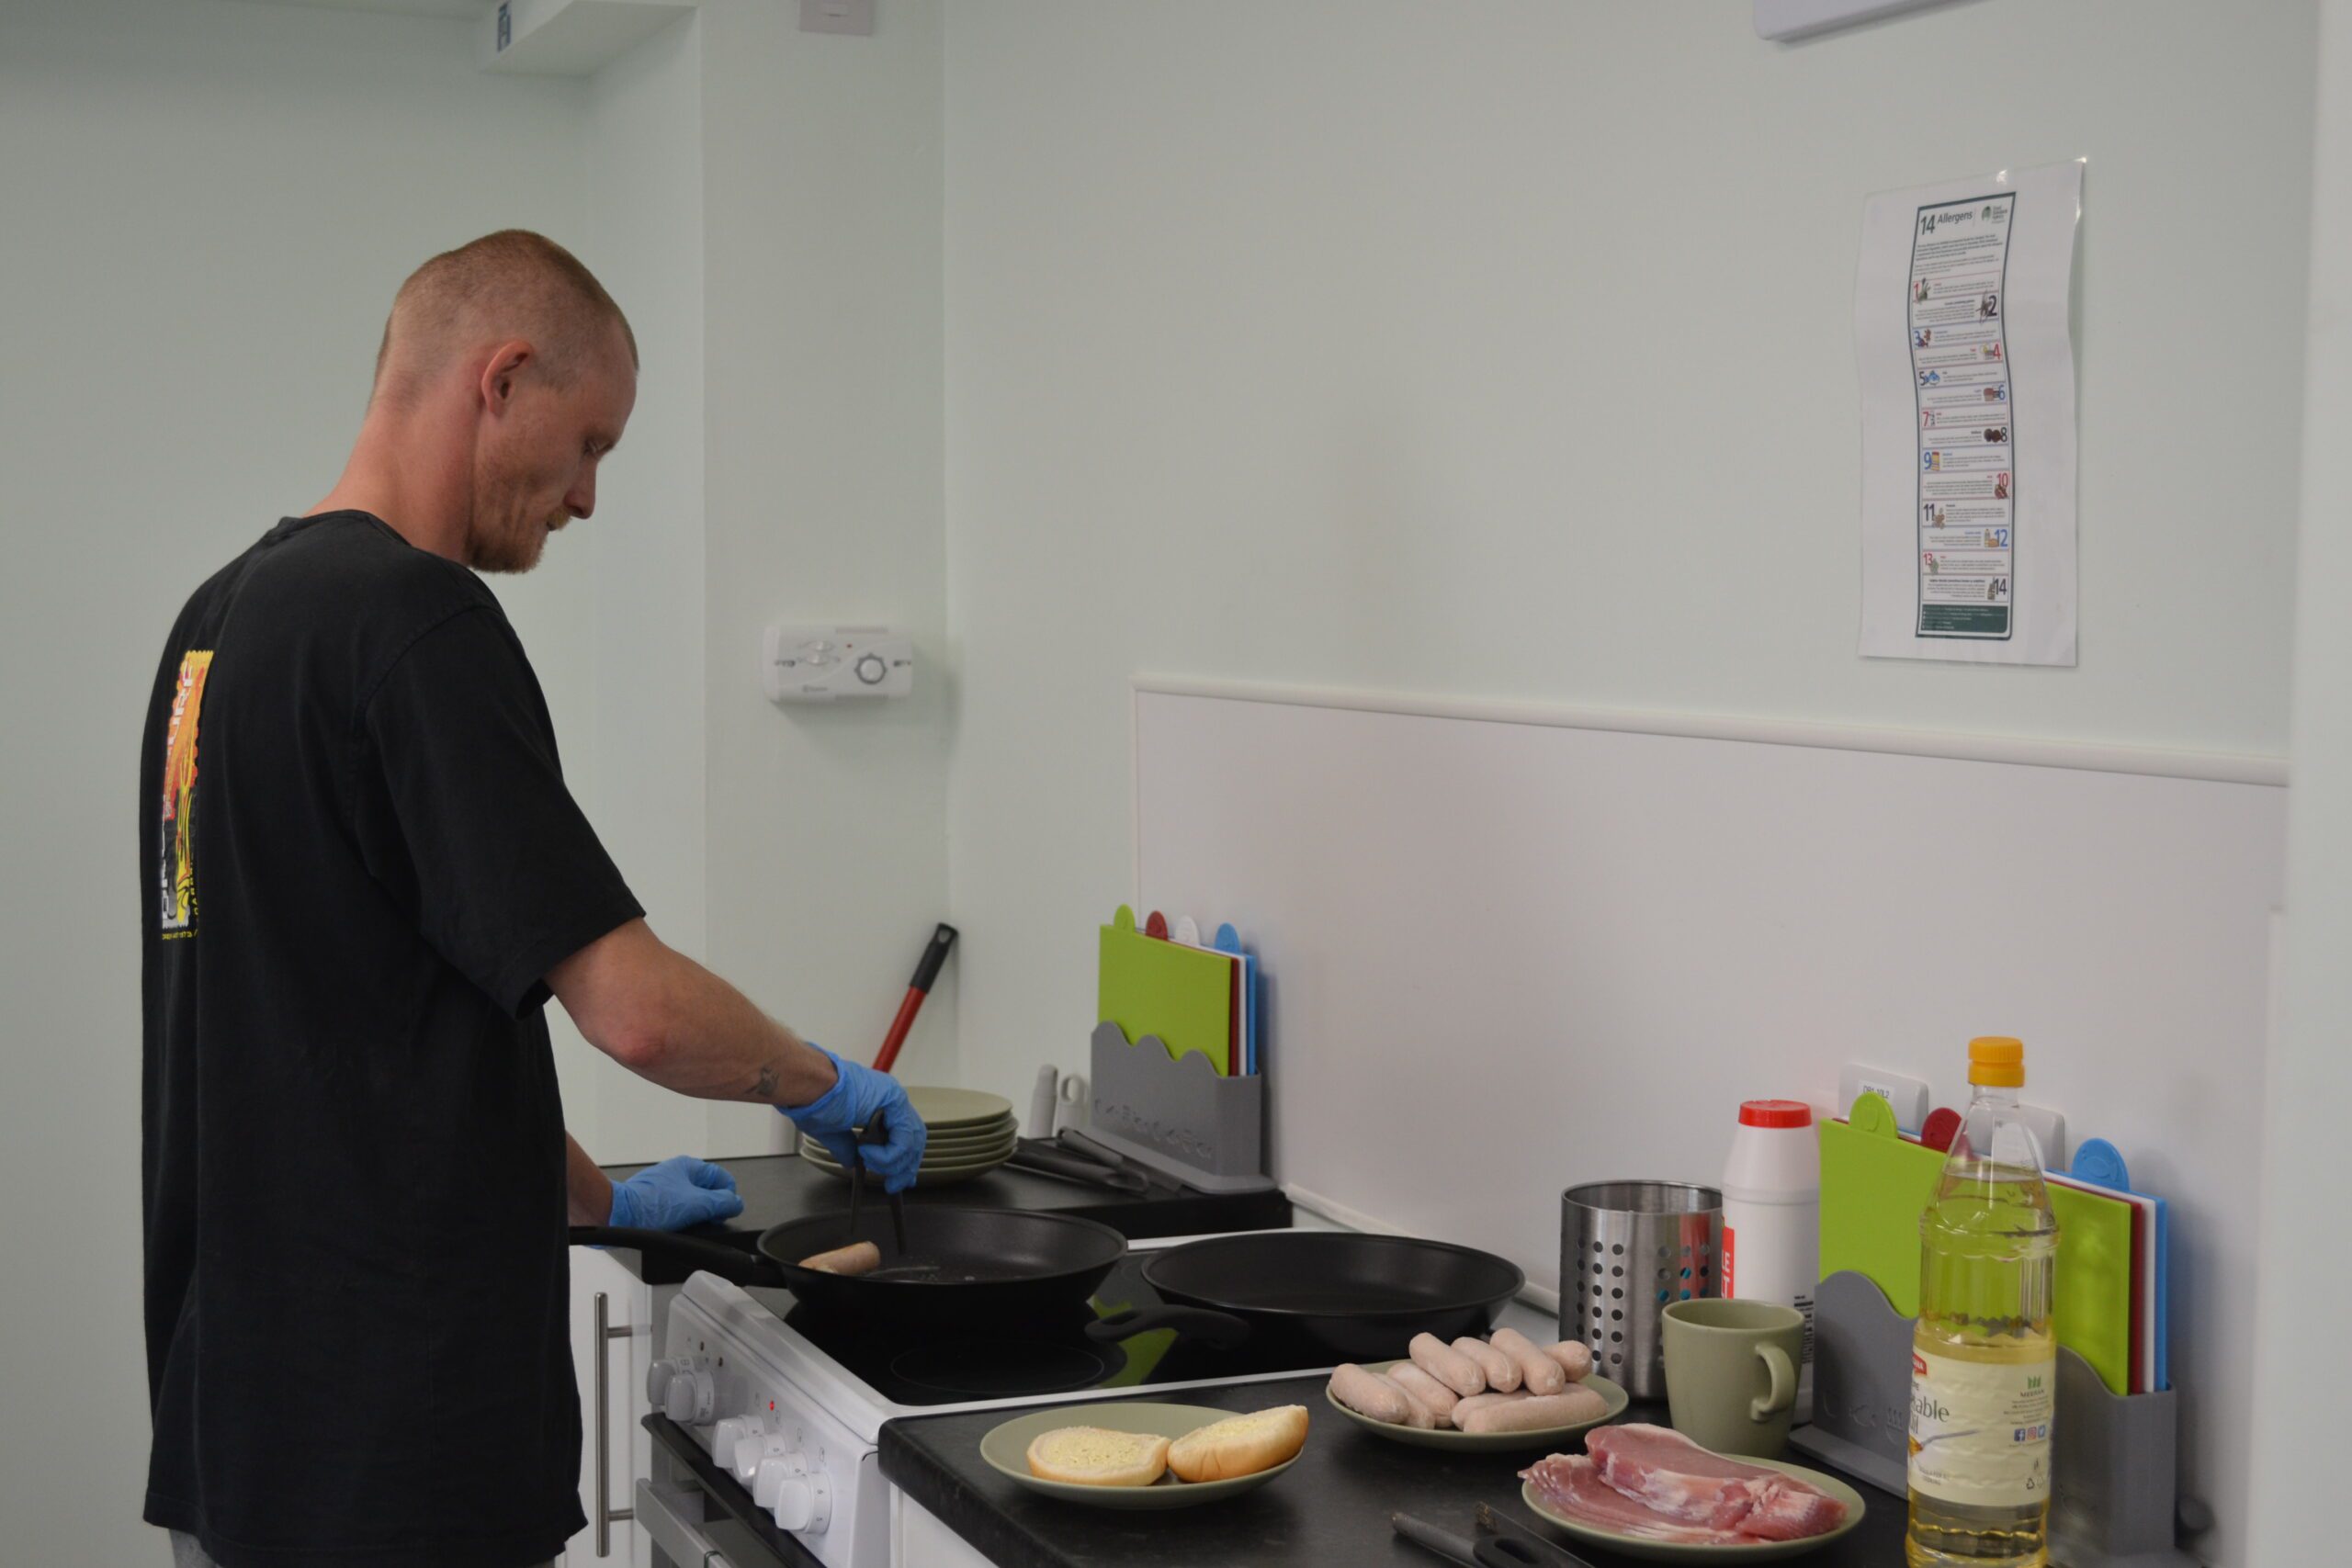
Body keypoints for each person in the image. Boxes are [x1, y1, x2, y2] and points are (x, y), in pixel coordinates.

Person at [137, 231, 928, 1568]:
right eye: (592, 445)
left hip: (240, 1430)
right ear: (500, 379)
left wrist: (593, 1201)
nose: (587, 499)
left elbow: (354, 1006)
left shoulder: (216, 629)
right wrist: (816, 1080)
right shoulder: (416, 624)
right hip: (394, 1460)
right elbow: (632, 1013)